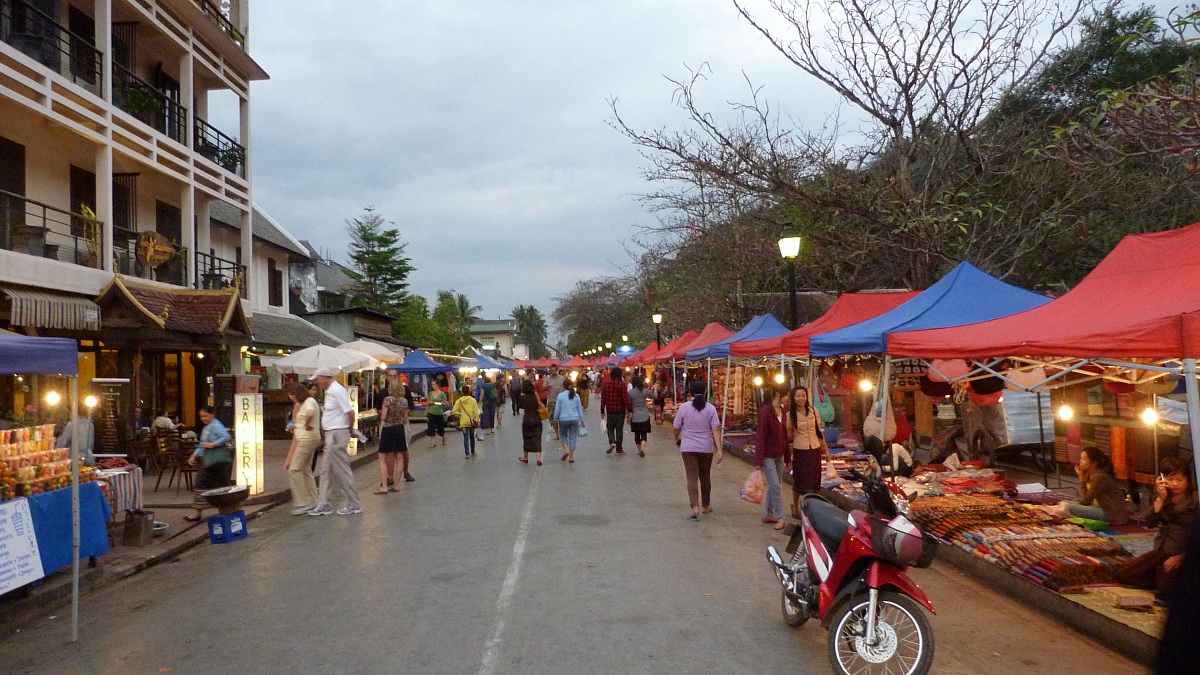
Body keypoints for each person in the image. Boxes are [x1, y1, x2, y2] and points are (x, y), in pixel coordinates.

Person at [1114, 456, 1198, 598]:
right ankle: (1158, 577)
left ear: (1188, 479)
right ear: (1162, 479)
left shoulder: (1195, 499)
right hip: (1160, 550)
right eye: (1170, 479)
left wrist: (1181, 557)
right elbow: (1149, 522)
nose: (1175, 484)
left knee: (1165, 592)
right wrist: (1160, 499)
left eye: (1180, 479)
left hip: (1181, 553)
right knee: (1123, 574)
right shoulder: (1163, 495)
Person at [307, 368, 364, 516]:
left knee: (341, 470)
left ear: (324, 378)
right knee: (326, 470)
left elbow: (350, 412)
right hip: (333, 432)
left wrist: (349, 428)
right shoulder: (331, 391)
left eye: (317, 379)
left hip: (337, 433)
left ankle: (354, 503)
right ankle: (324, 503)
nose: (316, 383)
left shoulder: (336, 391)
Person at [673, 381, 723, 520]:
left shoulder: (684, 408)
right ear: (705, 392)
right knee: (705, 477)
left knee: (691, 477)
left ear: (690, 393)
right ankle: (705, 506)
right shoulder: (711, 409)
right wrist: (719, 449)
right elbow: (716, 430)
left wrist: (676, 438)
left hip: (688, 447)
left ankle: (694, 507)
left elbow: (676, 427)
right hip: (706, 448)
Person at [786, 385, 831, 519]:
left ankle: (814, 508)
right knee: (799, 479)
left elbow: (818, 432)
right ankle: (795, 506)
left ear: (807, 397)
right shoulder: (790, 415)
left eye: (803, 396)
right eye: (798, 396)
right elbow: (789, 436)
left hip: (815, 449)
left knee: (815, 480)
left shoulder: (813, 411)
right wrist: (788, 457)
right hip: (800, 450)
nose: (801, 399)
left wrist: (826, 450)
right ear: (794, 398)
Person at [183, 406, 233, 522]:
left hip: (217, 461)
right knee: (219, 485)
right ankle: (221, 509)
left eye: (205, 415)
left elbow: (226, 436)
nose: (203, 418)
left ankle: (199, 511)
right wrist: (194, 455)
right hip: (210, 460)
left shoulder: (216, 425)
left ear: (212, 415)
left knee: (201, 482)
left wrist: (213, 444)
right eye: (201, 416)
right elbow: (202, 444)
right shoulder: (207, 427)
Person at [755, 384, 790, 530]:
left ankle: (768, 513)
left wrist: (788, 458)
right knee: (775, 486)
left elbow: (784, 435)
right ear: (778, 394)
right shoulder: (765, 412)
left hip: (780, 454)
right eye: (787, 394)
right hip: (768, 456)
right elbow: (761, 435)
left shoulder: (782, 411)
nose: (788, 398)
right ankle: (781, 517)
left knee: (775, 486)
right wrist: (758, 460)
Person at [1064, 446, 1128, 525]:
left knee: (1067, 507)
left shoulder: (1100, 477)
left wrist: (1081, 479)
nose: (1080, 461)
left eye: (1083, 459)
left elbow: (1086, 501)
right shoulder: (1089, 474)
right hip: (1099, 507)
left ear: (1094, 463)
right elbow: (1086, 500)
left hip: (1110, 514)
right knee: (1064, 503)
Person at [283, 382, 321, 515]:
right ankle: (314, 499)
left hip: (306, 439)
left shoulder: (308, 402)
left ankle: (304, 501)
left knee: (294, 469)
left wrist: (306, 424)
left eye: (291, 394)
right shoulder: (307, 402)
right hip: (309, 438)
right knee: (305, 469)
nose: (290, 397)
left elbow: (310, 413)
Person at [376, 380, 414, 494]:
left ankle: (384, 486)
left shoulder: (387, 400)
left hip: (388, 429)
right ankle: (397, 485)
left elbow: (383, 417)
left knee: (382, 457)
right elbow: (405, 419)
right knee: (400, 457)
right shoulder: (404, 401)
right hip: (399, 429)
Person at [600, 367, 632, 455]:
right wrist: (629, 409)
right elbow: (626, 398)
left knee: (610, 428)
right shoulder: (622, 385)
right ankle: (619, 449)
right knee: (619, 430)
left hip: (610, 411)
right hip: (620, 411)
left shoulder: (607, 385)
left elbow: (603, 399)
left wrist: (602, 410)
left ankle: (612, 442)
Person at [553, 379, 584, 463]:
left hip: (563, 419)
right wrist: (582, 420)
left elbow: (557, 409)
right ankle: (571, 457)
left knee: (563, 435)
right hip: (574, 419)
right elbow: (580, 409)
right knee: (573, 437)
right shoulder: (576, 396)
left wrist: (555, 419)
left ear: (563, 386)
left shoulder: (560, 396)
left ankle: (566, 449)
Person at [451, 385, 481, 458]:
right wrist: (478, 420)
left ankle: (467, 454)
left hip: (463, 421)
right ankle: (473, 451)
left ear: (462, 392)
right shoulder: (473, 400)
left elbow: (454, 411)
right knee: (472, 436)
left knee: (465, 438)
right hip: (471, 421)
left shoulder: (459, 401)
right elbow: (476, 412)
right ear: (469, 391)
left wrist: (460, 415)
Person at [519, 379, 543, 465]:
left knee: (526, 438)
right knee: (537, 438)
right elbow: (539, 404)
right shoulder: (535, 395)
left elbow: (520, 406)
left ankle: (525, 457)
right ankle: (538, 458)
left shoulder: (523, 397)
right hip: (536, 419)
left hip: (527, 420)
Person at [628, 374, 652, 457]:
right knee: (644, 434)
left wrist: (628, 415)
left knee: (637, 434)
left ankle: (639, 450)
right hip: (645, 415)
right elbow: (654, 396)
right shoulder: (645, 391)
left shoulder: (630, 393)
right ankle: (642, 447)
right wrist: (655, 389)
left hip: (635, 416)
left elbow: (628, 405)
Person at [544, 365, 567, 439]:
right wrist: (547, 387)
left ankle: (561, 432)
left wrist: (563, 391)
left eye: (554, 370)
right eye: (551, 370)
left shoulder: (562, 378)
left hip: (561, 401)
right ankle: (557, 433)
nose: (553, 372)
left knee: (562, 418)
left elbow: (567, 387)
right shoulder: (547, 379)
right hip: (551, 401)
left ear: (557, 370)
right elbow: (543, 388)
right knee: (553, 418)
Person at [426, 380, 448, 448]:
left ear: (438, 385)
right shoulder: (430, 393)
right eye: (432, 384)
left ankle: (443, 437)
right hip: (431, 412)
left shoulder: (442, 394)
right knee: (431, 427)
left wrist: (436, 403)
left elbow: (445, 403)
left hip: (439, 412)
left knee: (440, 427)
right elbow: (428, 401)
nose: (433, 386)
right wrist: (430, 402)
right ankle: (433, 442)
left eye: (434, 384)